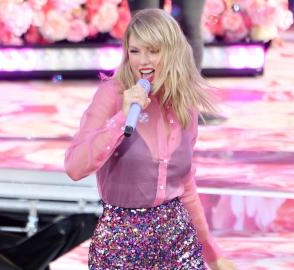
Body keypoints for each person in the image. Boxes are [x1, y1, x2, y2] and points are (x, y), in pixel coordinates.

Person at [65, 9, 236, 270]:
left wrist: (213, 254)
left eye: (153, 51)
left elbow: (185, 185)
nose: (142, 61)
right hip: (121, 245)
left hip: (177, 240)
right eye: (135, 51)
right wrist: (121, 119)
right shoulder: (112, 95)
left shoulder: (184, 104)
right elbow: (75, 167)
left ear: (171, 52)